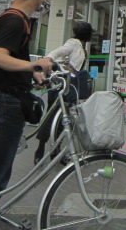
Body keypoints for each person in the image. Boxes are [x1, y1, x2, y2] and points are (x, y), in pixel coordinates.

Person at [0, 0, 54, 207]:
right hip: (4, 103)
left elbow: (7, 60)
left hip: (2, 98)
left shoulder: (11, 17)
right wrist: (34, 63)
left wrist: (30, 72)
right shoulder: (15, 19)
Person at [33, 21, 93, 163]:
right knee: (52, 116)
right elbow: (58, 51)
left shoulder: (81, 46)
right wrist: (48, 59)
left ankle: (56, 151)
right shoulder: (74, 43)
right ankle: (41, 148)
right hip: (62, 86)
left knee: (63, 119)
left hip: (69, 87)